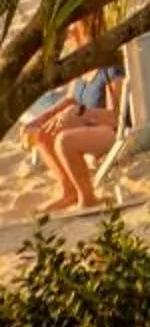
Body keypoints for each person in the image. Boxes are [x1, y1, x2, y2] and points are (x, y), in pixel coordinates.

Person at [22, 53, 123, 211]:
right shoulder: (81, 63)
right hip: (86, 127)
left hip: (110, 130)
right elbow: (70, 99)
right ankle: (69, 192)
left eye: (73, 30)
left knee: (64, 140)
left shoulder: (110, 68)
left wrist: (82, 112)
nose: (69, 35)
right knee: (42, 135)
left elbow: (115, 116)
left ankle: (87, 198)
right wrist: (41, 119)